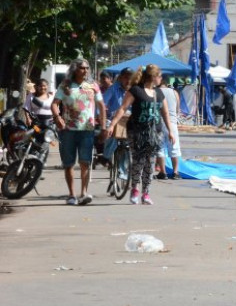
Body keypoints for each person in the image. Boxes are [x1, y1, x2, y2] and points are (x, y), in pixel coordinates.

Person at [106, 64, 175, 205]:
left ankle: (146, 193)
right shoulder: (135, 91)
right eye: (159, 76)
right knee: (138, 161)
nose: (161, 78)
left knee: (150, 163)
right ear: (153, 77)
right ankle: (135, 189)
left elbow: (165, 113)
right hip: (137, 131)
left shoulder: (159, 93)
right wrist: (112, 124)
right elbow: (123, 108)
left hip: (155, 132)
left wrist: (171, 131)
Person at [50, 59, 106, 206]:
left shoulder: (93, 86)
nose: (85, 71)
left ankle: (84, 193)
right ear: (75, 69)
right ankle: (71, 195)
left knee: (85, 163)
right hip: (67, 130)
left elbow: (101, 105)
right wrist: (57, 117)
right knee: (68, 164)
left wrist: (104, 127)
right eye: (82, 68)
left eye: (87, 68)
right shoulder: (65, 85)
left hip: (87, 130)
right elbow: (55, 104)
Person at [101, 67, 134, 167]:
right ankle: (106, 156)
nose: (128, 80)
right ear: (120, 78)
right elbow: (102, 103)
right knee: (112, 133)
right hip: (113, 120)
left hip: (130, 121)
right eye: (125, 77)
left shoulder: (135, 90)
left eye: (130, 78)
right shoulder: (113, 88)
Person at [155, 78, 182, 180]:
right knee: (174, 147)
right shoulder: (175, 92)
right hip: (172, 122)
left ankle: (163, 172)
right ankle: (175, 172)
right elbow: (177, 109)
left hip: (159, 122)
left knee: (160, 148)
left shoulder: (155, 92)